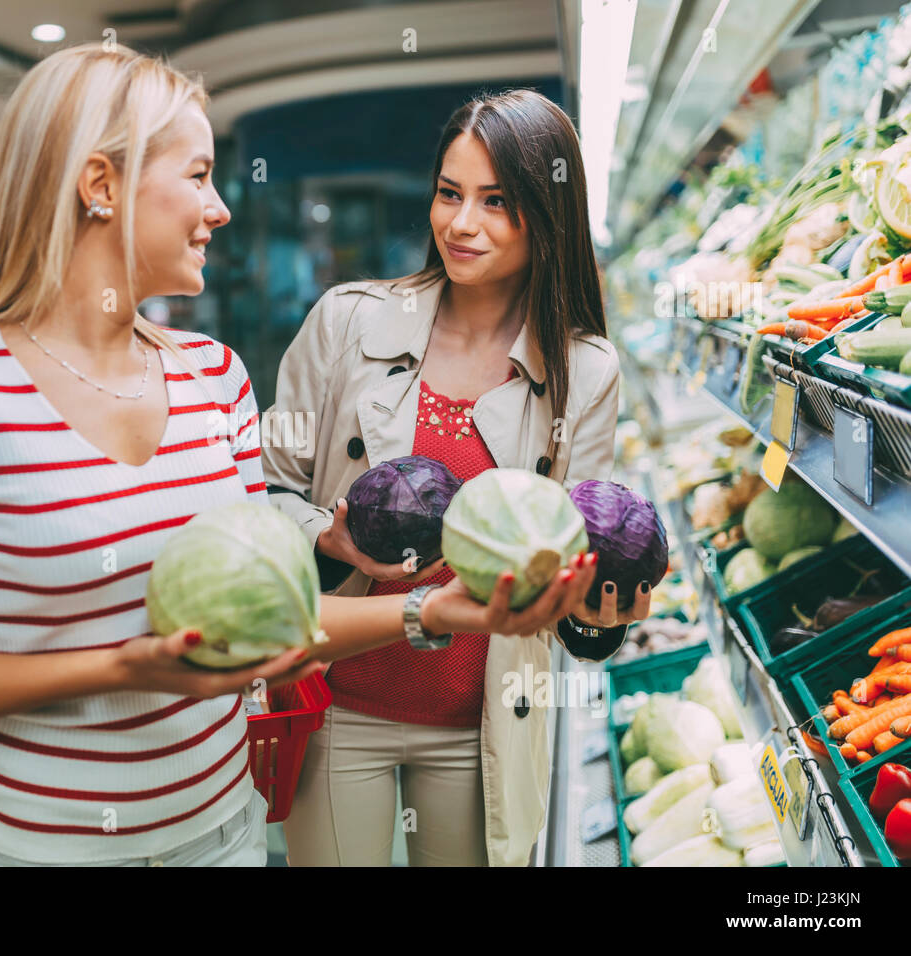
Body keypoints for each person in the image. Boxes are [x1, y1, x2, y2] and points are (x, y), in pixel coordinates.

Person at [0, 49, 597, 867]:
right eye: (198, 176)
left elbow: (275, 611)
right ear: (101, 186)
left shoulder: (215, 376)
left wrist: (429, 615)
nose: (220, 209)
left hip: (225, 833)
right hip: (30, 847)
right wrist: (123, 667)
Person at [262, 90, 653, 868]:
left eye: (497, 202)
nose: (460, 224)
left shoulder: (586, 371)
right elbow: (266, 491)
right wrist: (330, 543)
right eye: (449, 194)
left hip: (484, 719)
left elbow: (578, 556)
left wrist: (606, 608)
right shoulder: (346, 322)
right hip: (342, 700)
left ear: (549, 214)